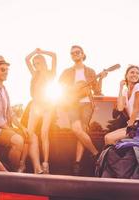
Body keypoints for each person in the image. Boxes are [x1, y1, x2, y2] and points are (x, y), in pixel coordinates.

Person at [59, 45, 107, 175]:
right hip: (72, 104)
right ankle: (96, 154)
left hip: (87, 104)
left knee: (82, 133)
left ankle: (77, 163)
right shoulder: (66, 72)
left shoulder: (90, 71)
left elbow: (97, 91)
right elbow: (60, 87)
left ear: (82, 54)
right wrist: (72, 89)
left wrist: (101, 78)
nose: (75, 54)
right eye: (72, 53)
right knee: (77, 130)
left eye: (77, 52)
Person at [0, 55, 30, 172]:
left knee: (29, 135)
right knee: (18, 140)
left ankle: (21, 165)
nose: (6, 72)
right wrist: (13, 131)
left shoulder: (3, 89)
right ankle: (13, 172)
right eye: (3, 69)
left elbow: (11, 113)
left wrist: (22, 127)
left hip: (4, 127)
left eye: (7, 70)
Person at [104, 64, 139, 145]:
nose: (135, 75)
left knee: (109, 138)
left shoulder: (138, 87)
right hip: (135, 123)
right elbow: (120, 108)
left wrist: (129, 127)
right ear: (126, 75)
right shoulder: (125, 91)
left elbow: (136, 110)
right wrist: (120, 88)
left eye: (137, 73)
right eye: (132, 72)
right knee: (107, 137)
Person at [25, 48, 57, 174]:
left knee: (44, 133)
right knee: (29, 134)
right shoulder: (34, 74)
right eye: (34, 64)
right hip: (35, 105)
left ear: (43, 62)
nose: (36, 66)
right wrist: (34, 52)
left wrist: (42, 51)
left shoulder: (51, 73)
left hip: (48, 106)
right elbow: (26, 59)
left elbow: (54, 55)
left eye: (38, 63)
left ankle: (45, 164)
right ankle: (22, 163)